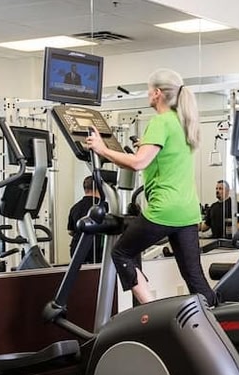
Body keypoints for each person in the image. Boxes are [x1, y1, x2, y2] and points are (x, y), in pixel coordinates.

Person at [85, 68, 216, 306]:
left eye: (148, 90)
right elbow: (160, 158)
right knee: (194, 277)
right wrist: (141, 147)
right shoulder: (182, 122)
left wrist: (101, 149)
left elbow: (138, 163)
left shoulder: (160, 121)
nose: (147, 94)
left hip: (164, 210)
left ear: (157, 93)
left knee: (121, 253)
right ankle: (216, 321)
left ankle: (151, 311)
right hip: (187, 212)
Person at [67, 175, 104, 265]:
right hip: (96, 252)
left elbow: (70, 231)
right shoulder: (103, 207)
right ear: (99, 188)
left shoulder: (75, 207)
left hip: (77, 249)